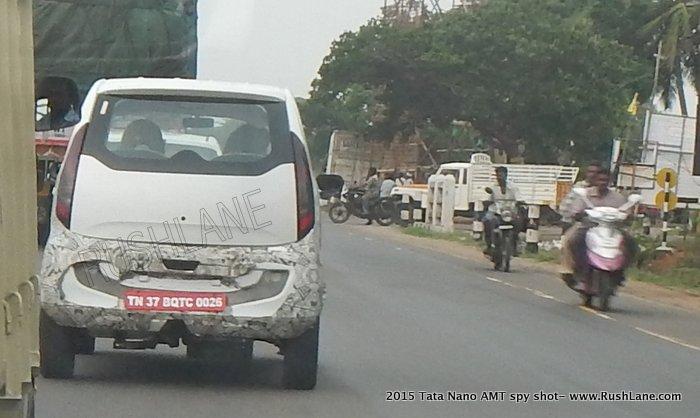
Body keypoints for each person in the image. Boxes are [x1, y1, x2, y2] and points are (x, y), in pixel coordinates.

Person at [560, 169, 634, 286]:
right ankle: (574, 268)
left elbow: (627, 212)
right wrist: (580, 214)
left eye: (605, 180)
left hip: (611, 230)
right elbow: (575, 211)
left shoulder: (617, 197)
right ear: (595, 181)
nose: (603, 182)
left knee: (631, 243)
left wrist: (627, 216)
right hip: (587, 227)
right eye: (600, 180)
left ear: (609, 181)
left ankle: (621, 272)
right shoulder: (585, 195)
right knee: (571, 240)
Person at [483, 166, 520, 256]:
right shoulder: (493, 188)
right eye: (498, 175)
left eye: (502, 175)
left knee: (518, 223)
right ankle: (489, 245)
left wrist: (520, 202)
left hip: (508, 212)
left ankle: (515, 246)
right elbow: (489, 199)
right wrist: (487, 202)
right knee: (487, 221)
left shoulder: (513, 187)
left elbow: (519, 197)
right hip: (496, 211)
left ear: (506, 175)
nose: (500, 177)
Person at [559, 162, 602, 233]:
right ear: (586, 173)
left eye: (597, 172)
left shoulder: (601, 190)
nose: (593, 174)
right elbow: (566, 206)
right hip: (571, 223)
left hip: (593, 226)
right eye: (591, 172)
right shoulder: (578, 186)